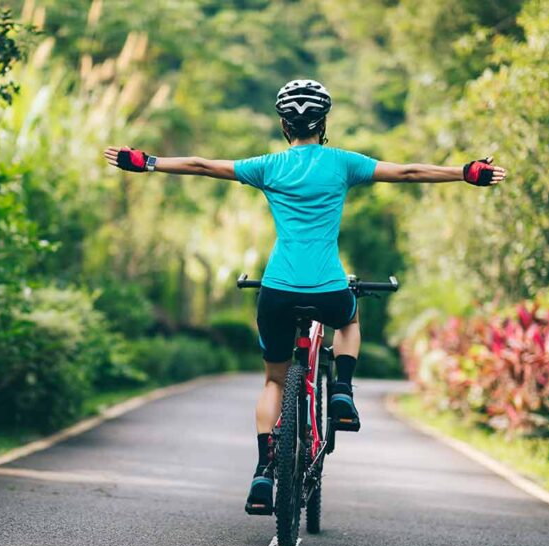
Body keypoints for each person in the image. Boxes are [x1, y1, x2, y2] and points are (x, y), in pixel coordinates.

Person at [103, 79, 506, 515]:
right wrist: (465, 173)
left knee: (275, 381)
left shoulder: (267, 166)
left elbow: (202, 165)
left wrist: (147, 162)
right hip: (330, 289)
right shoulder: (343, 164)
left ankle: (263, 470)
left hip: (276, 290)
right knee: (349, 322)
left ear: (283, 124)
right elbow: (407, 172)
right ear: (323, 122)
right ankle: (343, 392)